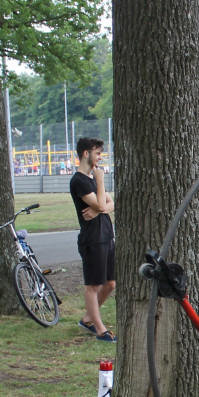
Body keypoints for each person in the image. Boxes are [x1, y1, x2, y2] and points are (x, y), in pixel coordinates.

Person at [71, 137, 116, 342]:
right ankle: (99, 329)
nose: (100, 157)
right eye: (97, 152)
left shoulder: (91, 179)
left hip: (106, 235)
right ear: (86, 154)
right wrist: (99, 181)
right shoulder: (79, 180)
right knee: (93, 285)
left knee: (110, 284)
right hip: (92, 238)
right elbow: (99, 204)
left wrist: (99, 211)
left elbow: (109, 204)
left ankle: (88, 318)